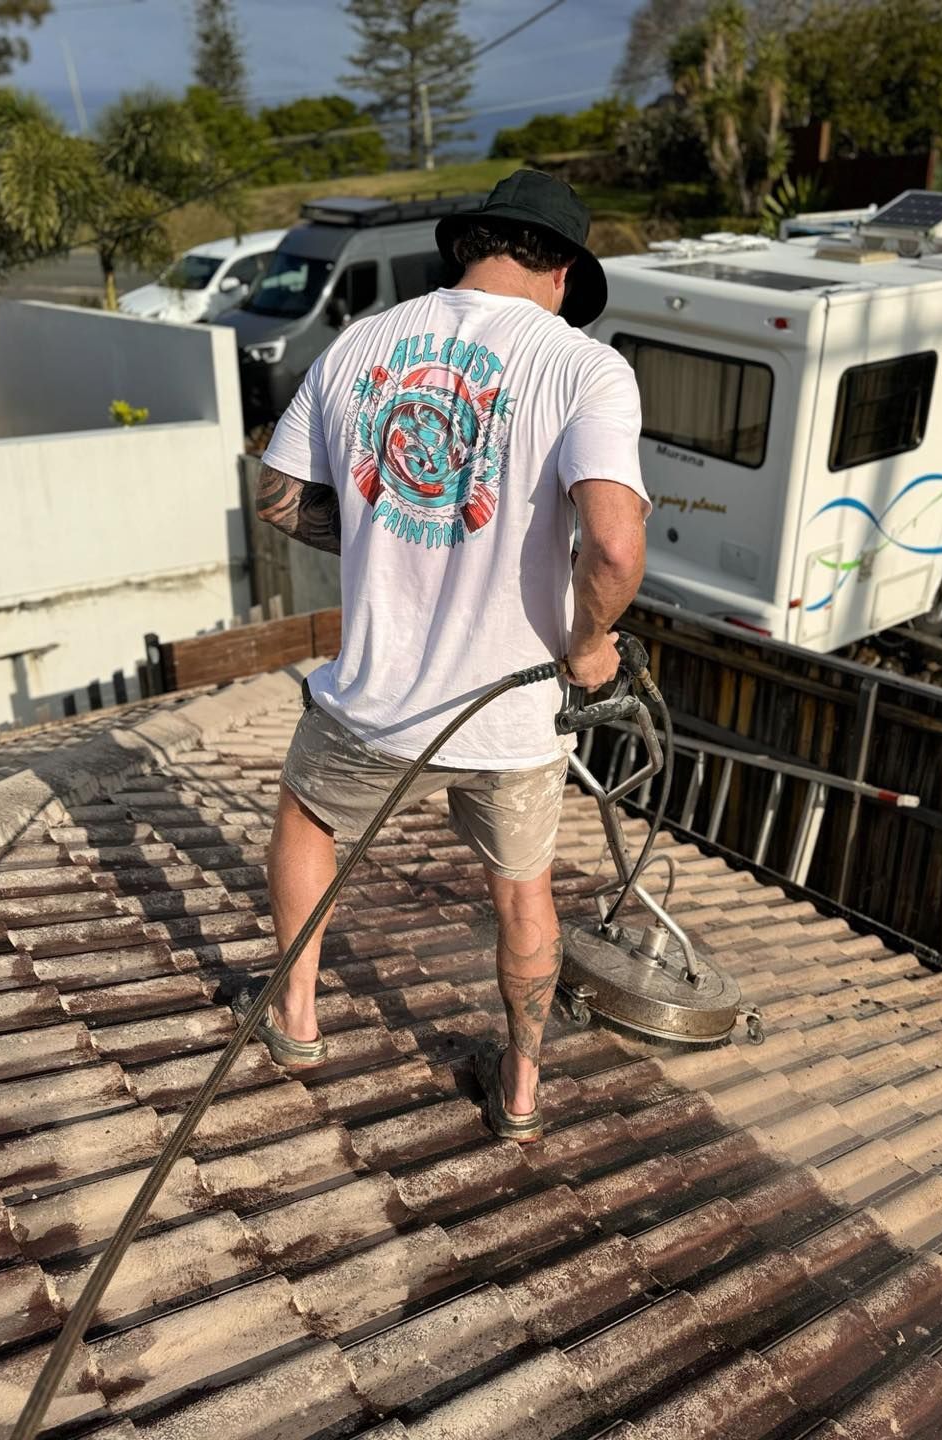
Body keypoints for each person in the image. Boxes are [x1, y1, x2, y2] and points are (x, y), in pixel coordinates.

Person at [244, 169, 648, 1143]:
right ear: (559, 274)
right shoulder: (585, 366)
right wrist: (590, 647)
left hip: (371, 706)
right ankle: (518, 1090)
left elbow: (277, 498)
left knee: (307, 818)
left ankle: (297, 1021)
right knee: (523, 893)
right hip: (511, 719)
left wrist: (387, 527)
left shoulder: (361, 342)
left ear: (469, 247)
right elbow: (616, 546)